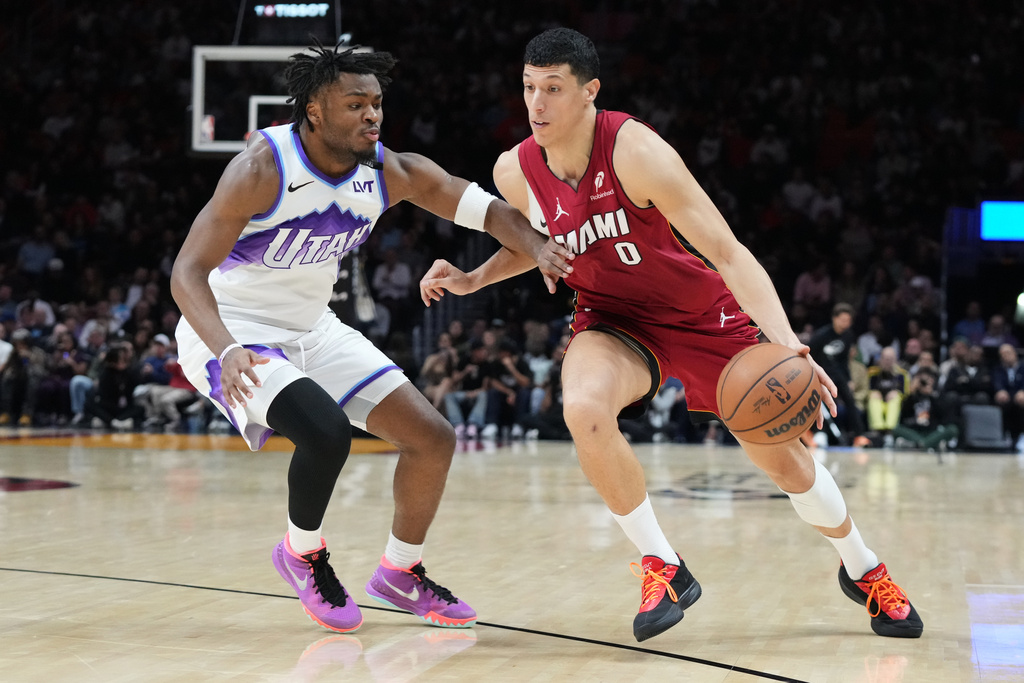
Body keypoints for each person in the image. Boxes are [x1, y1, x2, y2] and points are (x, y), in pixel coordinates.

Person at [419, 28, 922, 642]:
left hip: (696, 313)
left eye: (553, 89)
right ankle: (663, 565)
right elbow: (536, 245)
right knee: (582, 407)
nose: (537, 104)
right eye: (528, 88)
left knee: (785, 461)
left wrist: (789, 345)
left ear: (589, 93)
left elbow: (728, 252)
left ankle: (863, 568)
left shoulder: (638, 152)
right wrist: (472, 279)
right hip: (611, 318)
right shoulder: (515, 169)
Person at [170, 42, 563, 634]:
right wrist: (226, 349)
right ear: (315, 112)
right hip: (234, 330)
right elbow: (186, 272)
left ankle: (401, 572)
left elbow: (488, 210)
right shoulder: (262, 168)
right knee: (326, 433)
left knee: (432, 438)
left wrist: (538, 248)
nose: (372, 115)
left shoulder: (389, 171)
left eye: (376, 103)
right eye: (355, 104)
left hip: (314, 327)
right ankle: (302, 552)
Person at [809, 303, 872, 447]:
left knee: (850, 401)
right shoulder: (821, 336)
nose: (845, 324)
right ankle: (819, 434)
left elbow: (844, 361)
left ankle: (859, 436)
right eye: (843, 320)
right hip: (821, 376)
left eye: (848, 321)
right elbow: (809, 355)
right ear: (834, 319)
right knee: (818, 405)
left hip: (839, 375)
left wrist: (849, 379)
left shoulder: (848, 336)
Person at [992, 343, 1024, 452]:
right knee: (1003, 402)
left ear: (1014, 353)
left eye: (1008, 353)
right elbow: (997, 382)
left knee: (1020, 402)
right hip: (1006, 397)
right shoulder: (998, 369)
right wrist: (1000, 391)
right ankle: (1005, 436)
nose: (1006, 356)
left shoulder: (1023, 366)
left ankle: (1020, 436)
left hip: (1020, 396)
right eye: (1003, 354)